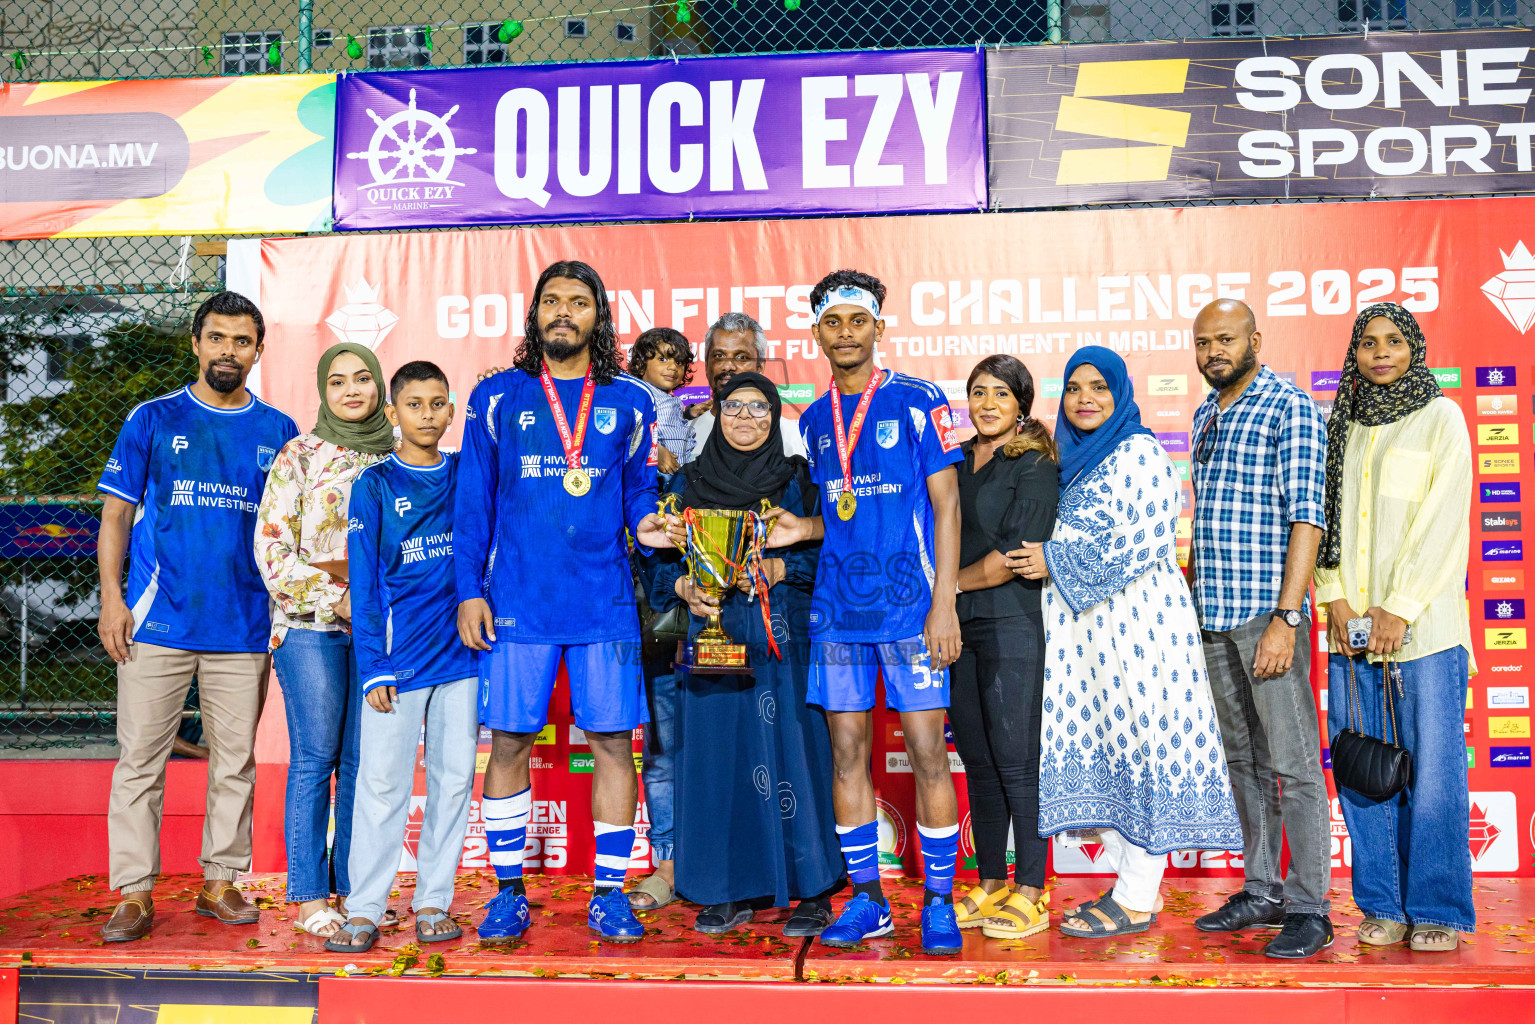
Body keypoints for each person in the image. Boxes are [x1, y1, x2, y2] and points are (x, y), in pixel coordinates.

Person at [456, 260, 670, 945]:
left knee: (612, 744)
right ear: (535, 313)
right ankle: (508, 893)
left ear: (597, 318)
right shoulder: (498, 398)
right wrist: (468, 592)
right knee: (510, 741)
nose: (563, 312)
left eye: (578, 302)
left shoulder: (631, 401)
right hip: (517, 601)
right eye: (552, 300)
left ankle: (609, 894)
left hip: (604, 601)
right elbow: (473, 505)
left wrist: (649, 523)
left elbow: (638, 490)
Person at [764, 269, 966, 956]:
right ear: (816, 332)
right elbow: (845, 514)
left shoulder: (918, 400)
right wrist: (803, 529)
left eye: (858, 320)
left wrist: (944, 604)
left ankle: (940, 903)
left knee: (927, 753)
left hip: (910, 609)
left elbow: (946, 505)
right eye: (832, 322)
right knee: (846, 754)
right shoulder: (814, 420)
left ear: (879, 328)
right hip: (837, 614)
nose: (845, 333)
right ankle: (869, 900)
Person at [1011, 347, 1242, 939]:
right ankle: (1127, 890)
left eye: (1099, 387)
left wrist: (1051, 558)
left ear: (1121, 395)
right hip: (1089, 637)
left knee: (1145, 751)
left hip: (1142, 631)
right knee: (1111, 752)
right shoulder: (1069, 458)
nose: (1085, 398)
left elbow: (1139, 539)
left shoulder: (1138, 453)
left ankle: (1138, 898)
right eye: (1074, 388)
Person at [95, 291, 298, 942]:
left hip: (243, 626)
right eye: (217, 338)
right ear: (196, 343)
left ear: (258, 351)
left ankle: (221, 881)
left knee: (233, 762)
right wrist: (110, 599)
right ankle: (132, 893)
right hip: (156, 622)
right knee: (139, 762)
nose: (227, 351)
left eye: (241, 341)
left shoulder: (278, 431)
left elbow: (290, 533)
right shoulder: (153, 419)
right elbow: (116, 516)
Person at [649, 373, 844, 936]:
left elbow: (835, 548)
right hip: (712, 639)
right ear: (717, 412)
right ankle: (726, 887)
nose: (745, 418)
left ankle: (813, 889)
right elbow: (661, 564)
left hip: (780, 632)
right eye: (733, 406)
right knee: (717, 762)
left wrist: (786, 567)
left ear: (775, 416)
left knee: (796, 756)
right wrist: (686, 589)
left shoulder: (798, 481)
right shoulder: (686, 484)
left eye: (760, 408)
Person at [1316, 303, 1475, 952]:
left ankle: (1437, 909)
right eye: (1366, 344)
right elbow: (1322, 518)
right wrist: (1333, 600)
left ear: (1413, 346)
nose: (1379, 353)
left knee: (1434, 774)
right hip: (1350, 631)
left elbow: (1442, 522)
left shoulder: (1441, 418)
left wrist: (1398, 605)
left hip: (1425, 632)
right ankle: (1380, 904)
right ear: (1352, 353)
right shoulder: (1341, 425)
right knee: (1364, 769)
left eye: (1392, 341)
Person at [1188, 299, 1335, 959]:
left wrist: (1286, 615)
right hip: (1213, 620)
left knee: (1295, 766)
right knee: (1242, 762)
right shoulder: (1203, 414)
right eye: (1202, 342)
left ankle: (1309, 907)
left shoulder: (1289, 407)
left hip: (1264, 618)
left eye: (1224, 338)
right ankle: (1262, 888)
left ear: (1254, 338)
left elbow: (1307, 518)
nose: (1213, 351)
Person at [324, 361, 479, 954]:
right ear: (392, 413)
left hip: (462, 657)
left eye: (438, 403)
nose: (427, 415)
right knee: (383, 786)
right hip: (397, 661)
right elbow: (365, 585)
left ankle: (434, 901)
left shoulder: (466, 474)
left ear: (449, 410)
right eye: (414, 404)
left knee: (452, 782)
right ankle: (364, 907)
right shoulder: (375, 485)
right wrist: (374, 665)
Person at [255, 341, 396, 938]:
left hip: (380, 635)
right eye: (338, 382)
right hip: (312, 628)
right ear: (323, 390)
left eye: (363, 378)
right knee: (316, 760)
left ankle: (353, 890)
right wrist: (335, 596)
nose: (352, 391)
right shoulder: (300, 455)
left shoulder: (401, 455)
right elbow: (271, 546)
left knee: (364, 764)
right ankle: (311, 896)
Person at [947, 355, 1058, 939]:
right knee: (981, 763)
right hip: (955, 629)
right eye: (978, 392)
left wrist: (947, 587)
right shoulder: (955, 460)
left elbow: (1017, 554)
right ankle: (991, 882)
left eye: (1000, 394)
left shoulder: (1035, 465)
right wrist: (947, 603)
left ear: (1021, 404)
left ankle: (1034, 891)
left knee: (1018, 761)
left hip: (1012, 624)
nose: (987, 404)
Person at [625, 325, 694, 913]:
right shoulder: (615, 402)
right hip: (632, 604)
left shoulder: (683, 420)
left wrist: (673, 473)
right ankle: (668, 864)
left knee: (696, 743)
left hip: (695, 607)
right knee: (659, 744)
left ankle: (721, 863)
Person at [686, 312, 806, 458]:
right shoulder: (686, 433)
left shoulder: (787, 433)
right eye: (719, 356)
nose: (728, 366)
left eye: (741, 357)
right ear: (707, 365)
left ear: (760, 366)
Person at [628, 326, 697, 474]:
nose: (672, 367)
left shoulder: (673, 400)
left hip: (681, 471)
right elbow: (627, 431)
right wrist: (655, 450)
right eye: (662, 359)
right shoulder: (639, 395)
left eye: (679, 362)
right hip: (654, 475)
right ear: (640, 365)